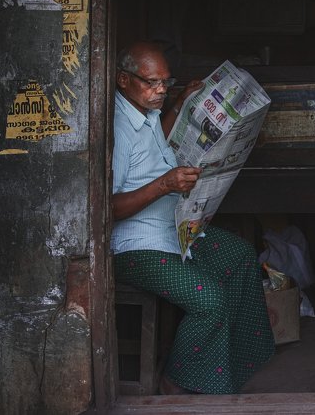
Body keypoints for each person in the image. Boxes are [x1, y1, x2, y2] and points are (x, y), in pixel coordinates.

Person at [111, 41, 274, 394]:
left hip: (171, 229)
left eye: (166, 83)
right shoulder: (117, 130)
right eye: (152, 83)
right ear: (123, 80)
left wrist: (180, 102)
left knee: (241, 256)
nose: (159, 91)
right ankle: (176, 382)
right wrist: (165, 184)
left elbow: (157, 143)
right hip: (135, 248)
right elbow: (108, 208)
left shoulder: (146, 111)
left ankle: (231, 368)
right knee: (210, 300)